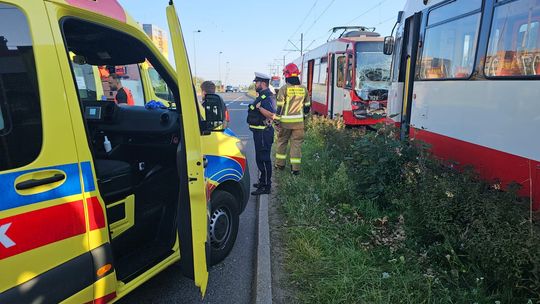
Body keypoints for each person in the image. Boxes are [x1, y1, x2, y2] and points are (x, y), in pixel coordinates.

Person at [274, 63, 311, 175]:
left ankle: (280, 165)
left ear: (287, 75)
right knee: (296, 145)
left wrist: (276, 120)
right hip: (299, 124)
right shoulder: (304, 89)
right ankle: (295, 169)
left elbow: (280, 107)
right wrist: (303, 117)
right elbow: (307, 106)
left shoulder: (284, 89)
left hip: (285, 124)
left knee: (282, 143)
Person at [247, 72, 276, 195]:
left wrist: (259, 108)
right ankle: (262, 181)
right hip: (258, 133)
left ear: (263, 83)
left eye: (257, 82)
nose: (255, 84)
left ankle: (266, 186)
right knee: (259, 159)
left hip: (264, 133)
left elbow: (272, 115)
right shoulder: (261, 96)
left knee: (264, 159)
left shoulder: (268, 97)